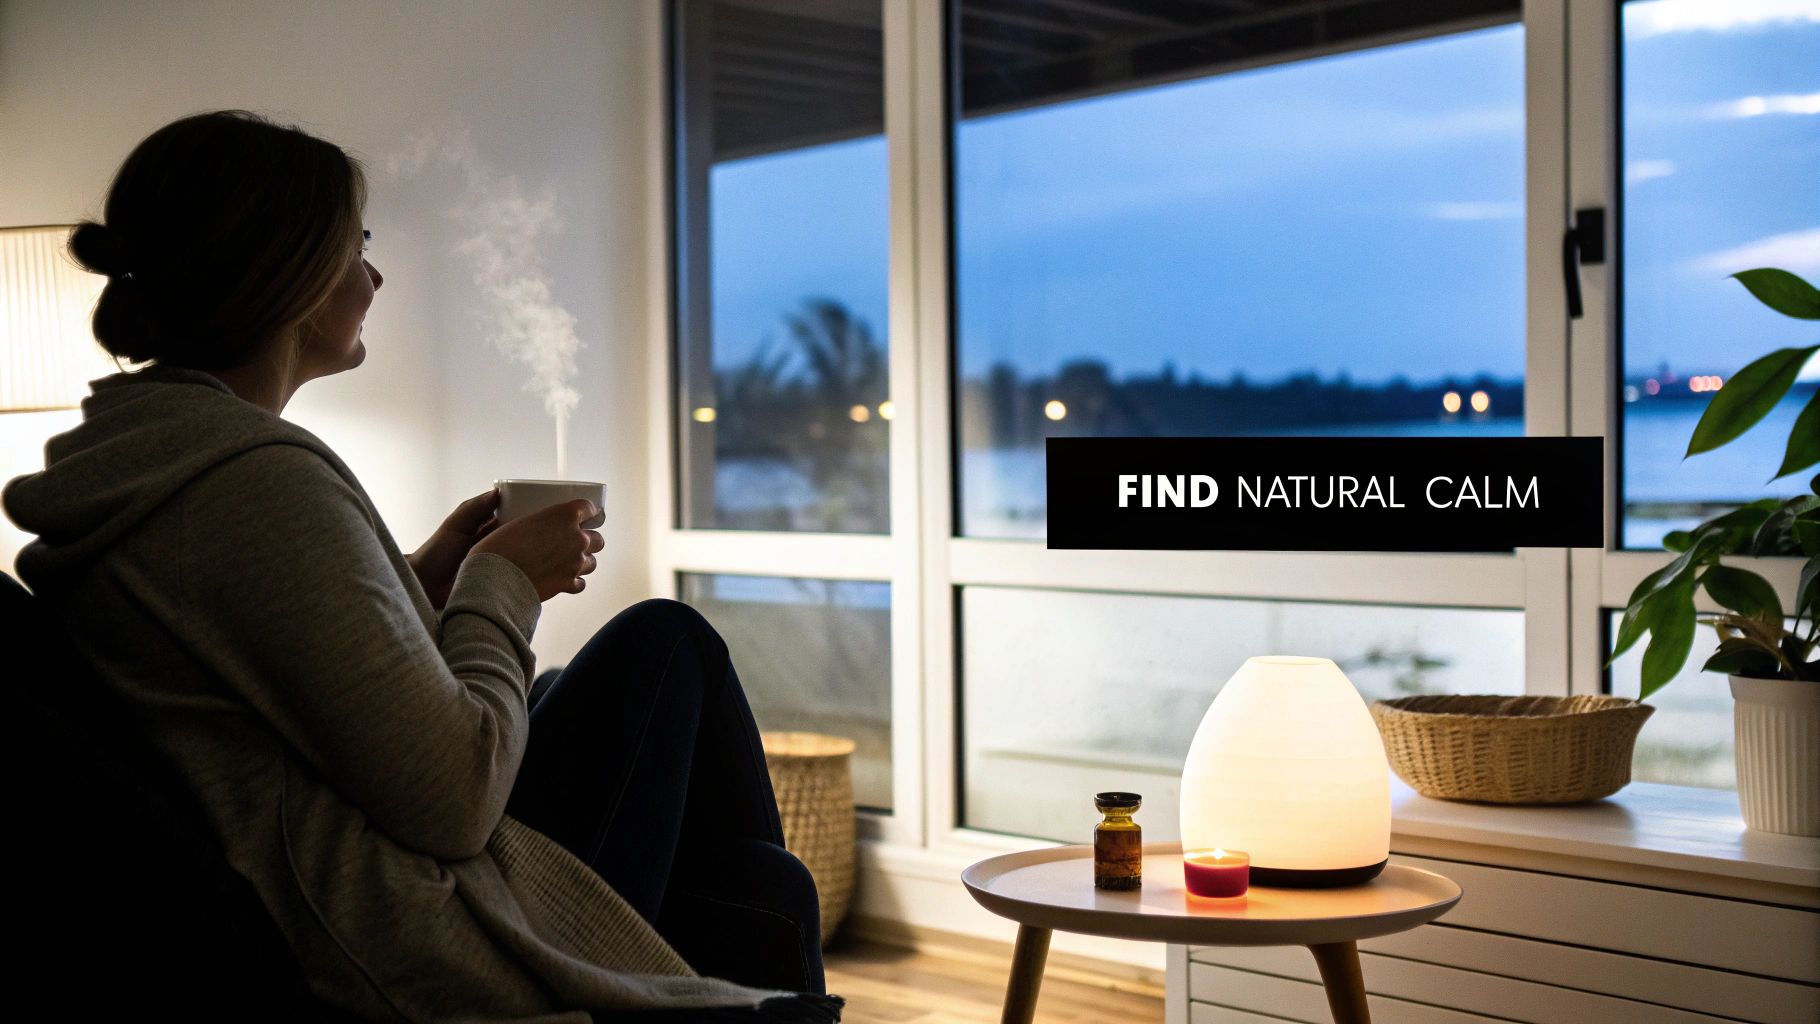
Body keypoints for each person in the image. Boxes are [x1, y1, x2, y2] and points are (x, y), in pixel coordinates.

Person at [1, 110, 839, 1024]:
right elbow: (453, 802)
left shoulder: (152, 459)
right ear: (290, 275)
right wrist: (500, 584)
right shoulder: (254, 478)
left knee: (761, 881)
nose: (374, 273)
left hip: (339, 859)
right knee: (667, 644)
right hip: (400, 917)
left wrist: (420, 577)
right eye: (356, 244)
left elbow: (268, 668)